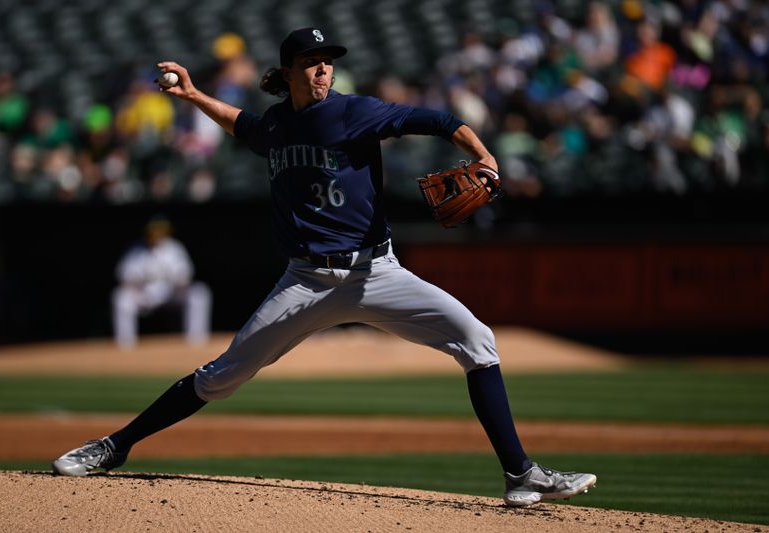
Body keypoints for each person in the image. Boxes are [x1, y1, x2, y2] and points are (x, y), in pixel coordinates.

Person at [52, 27, 596, 507]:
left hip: (376, 273)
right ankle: (114, 446)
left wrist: (484, 153)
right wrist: (193, 94)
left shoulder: (354, 111)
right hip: (305, 281)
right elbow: (241, 124)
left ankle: (521, 476)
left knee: (478, 341)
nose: (323, 69)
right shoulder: (277, 125)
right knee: (220, 377)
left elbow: (439, 119)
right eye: (312, 62)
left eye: (328, 61)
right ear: (288, 72)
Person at [112, 216, 212, 348]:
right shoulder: (136, 249)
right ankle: (125, 343)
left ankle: (196, 339)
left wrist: (179, 282)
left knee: (199, 292)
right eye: (154, 231)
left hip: (171, 294)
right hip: (145, 295)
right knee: (121, 297)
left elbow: (185, 275)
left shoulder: (174, 248)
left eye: (160, 231)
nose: (157, 235)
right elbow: (123, 276)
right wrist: (138, 282)